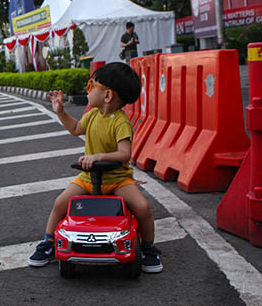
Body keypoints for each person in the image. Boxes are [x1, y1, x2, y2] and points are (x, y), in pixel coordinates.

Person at [27, 62, 162, 273]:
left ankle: (148, 248)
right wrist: (60, 110)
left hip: (118, 180)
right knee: (60, 203)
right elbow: (74, 128)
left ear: (107, 96)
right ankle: (49, 242)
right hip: (88, 178)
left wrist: (99, 156)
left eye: (91, 85)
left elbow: (124, 154)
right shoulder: (91, 115)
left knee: (143, 208)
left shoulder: (120, 122)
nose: (87, 89)